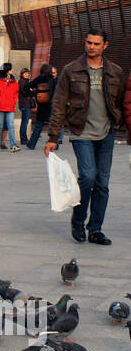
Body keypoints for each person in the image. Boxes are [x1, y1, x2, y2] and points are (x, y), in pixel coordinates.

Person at [45, 30, 125, 245]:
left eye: (96, 44)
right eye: (89, 43)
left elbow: (121, 103)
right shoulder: (71, 70)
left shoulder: (115, 71)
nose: (91, 47)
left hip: (106, 132)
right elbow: (59, 104)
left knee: (102, 183)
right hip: (82, 132)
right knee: (88, 176)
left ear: (105, 45)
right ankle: (78, 220)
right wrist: (53, 136)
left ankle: (95, 229)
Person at [0, 64, 20, 150]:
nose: (12, 70)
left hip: (10, 107)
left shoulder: (14, 81)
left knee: (11, 126)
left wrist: (14, 101)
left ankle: (13, 145)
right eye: (10, 69)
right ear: (6, 71)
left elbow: (16, 92)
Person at [26, 63, 56, 150]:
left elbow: (26, 87)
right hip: (51, 105)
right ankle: (54, 145)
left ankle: (31, 144)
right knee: (53, 126)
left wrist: (34, 94)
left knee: (38, 126)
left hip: (41, 106)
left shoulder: (38, 79)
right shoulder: (52, 80)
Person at [17, 68, 34, 145]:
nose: (27, 74)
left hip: (26, 104)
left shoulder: (26, 81)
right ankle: (23, 139)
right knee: (24, 122)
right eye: (25, 73)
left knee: (25, 122)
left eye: (28, 73)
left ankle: (24, 138)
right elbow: (24, 92)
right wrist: (31, 91)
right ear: (22, 74)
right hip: (24, 104)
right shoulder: (22, 81)